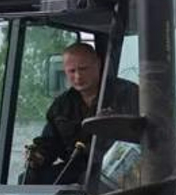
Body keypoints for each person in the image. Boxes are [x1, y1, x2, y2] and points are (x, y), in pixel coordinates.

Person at [23, 42, 139, 185]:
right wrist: (39, 156)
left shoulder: (128, 93)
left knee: (91, 180)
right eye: (72, 71)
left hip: (119, 166)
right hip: (76, 168)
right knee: (28, 179)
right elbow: (50, 143)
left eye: (83, 69)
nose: (78, 76)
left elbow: (148, 134)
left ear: (98, 64)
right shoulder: (61, 106)